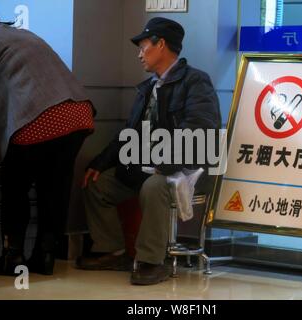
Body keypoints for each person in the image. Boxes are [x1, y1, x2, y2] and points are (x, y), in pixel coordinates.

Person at [76, 17, 221, 285]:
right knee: (97, 184)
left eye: (143, 47)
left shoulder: (196, 82)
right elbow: (129, 134)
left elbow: (199, 130)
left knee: (155, 185)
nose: (139, 54)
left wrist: (163, 164)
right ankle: (113, 250)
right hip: (146, 166)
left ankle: (151, 261)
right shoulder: (148, 88)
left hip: (185, 170)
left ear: (161, 44)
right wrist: (100, 162)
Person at [0, 1, 96, 276]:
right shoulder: (25, 34)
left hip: (39, 118)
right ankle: (45, 256)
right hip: (78, 113)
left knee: (14, 187)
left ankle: (11, 258)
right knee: (53, 190)